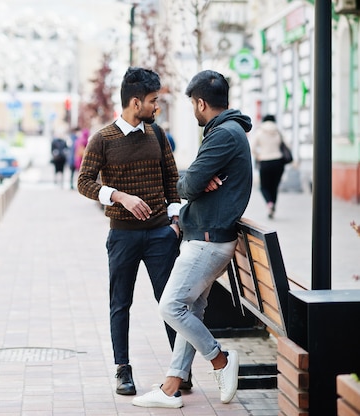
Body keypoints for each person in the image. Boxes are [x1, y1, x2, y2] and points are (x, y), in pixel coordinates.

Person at [132, 70, 252, 409]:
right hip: (208, 235)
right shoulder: (227, 131)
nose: (193, 112)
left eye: (192, 106)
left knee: (171, 306)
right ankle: (171, 387)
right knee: (191, 311)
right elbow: (194, 180)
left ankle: (220, 360)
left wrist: (196, 179)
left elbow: (186, 186)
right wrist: (198, 178)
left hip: (208, 240)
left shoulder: (223, 136)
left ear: (200, 102)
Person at [77, 67, 183, 396]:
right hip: (122, 235)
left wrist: (175, 220)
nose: (157, 107)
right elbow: (82, 182)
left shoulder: (158, 135)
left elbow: (171, 179)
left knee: (170, 302)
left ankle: (180, 369)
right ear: (135, 103)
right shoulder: (103, 139)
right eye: (153, 101)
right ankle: (123, 370)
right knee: (120, 303)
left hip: (159, 236)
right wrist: (119, 195)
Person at [250, 114, 287, 219]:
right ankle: (273, 204)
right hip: (278, 162)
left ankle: (269, 204)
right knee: (274, 186)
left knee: (264, 187)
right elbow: (287, 144)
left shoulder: (259, 132)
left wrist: (259, 156)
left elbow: (252, 148)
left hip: (265, 161)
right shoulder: (278, 131)